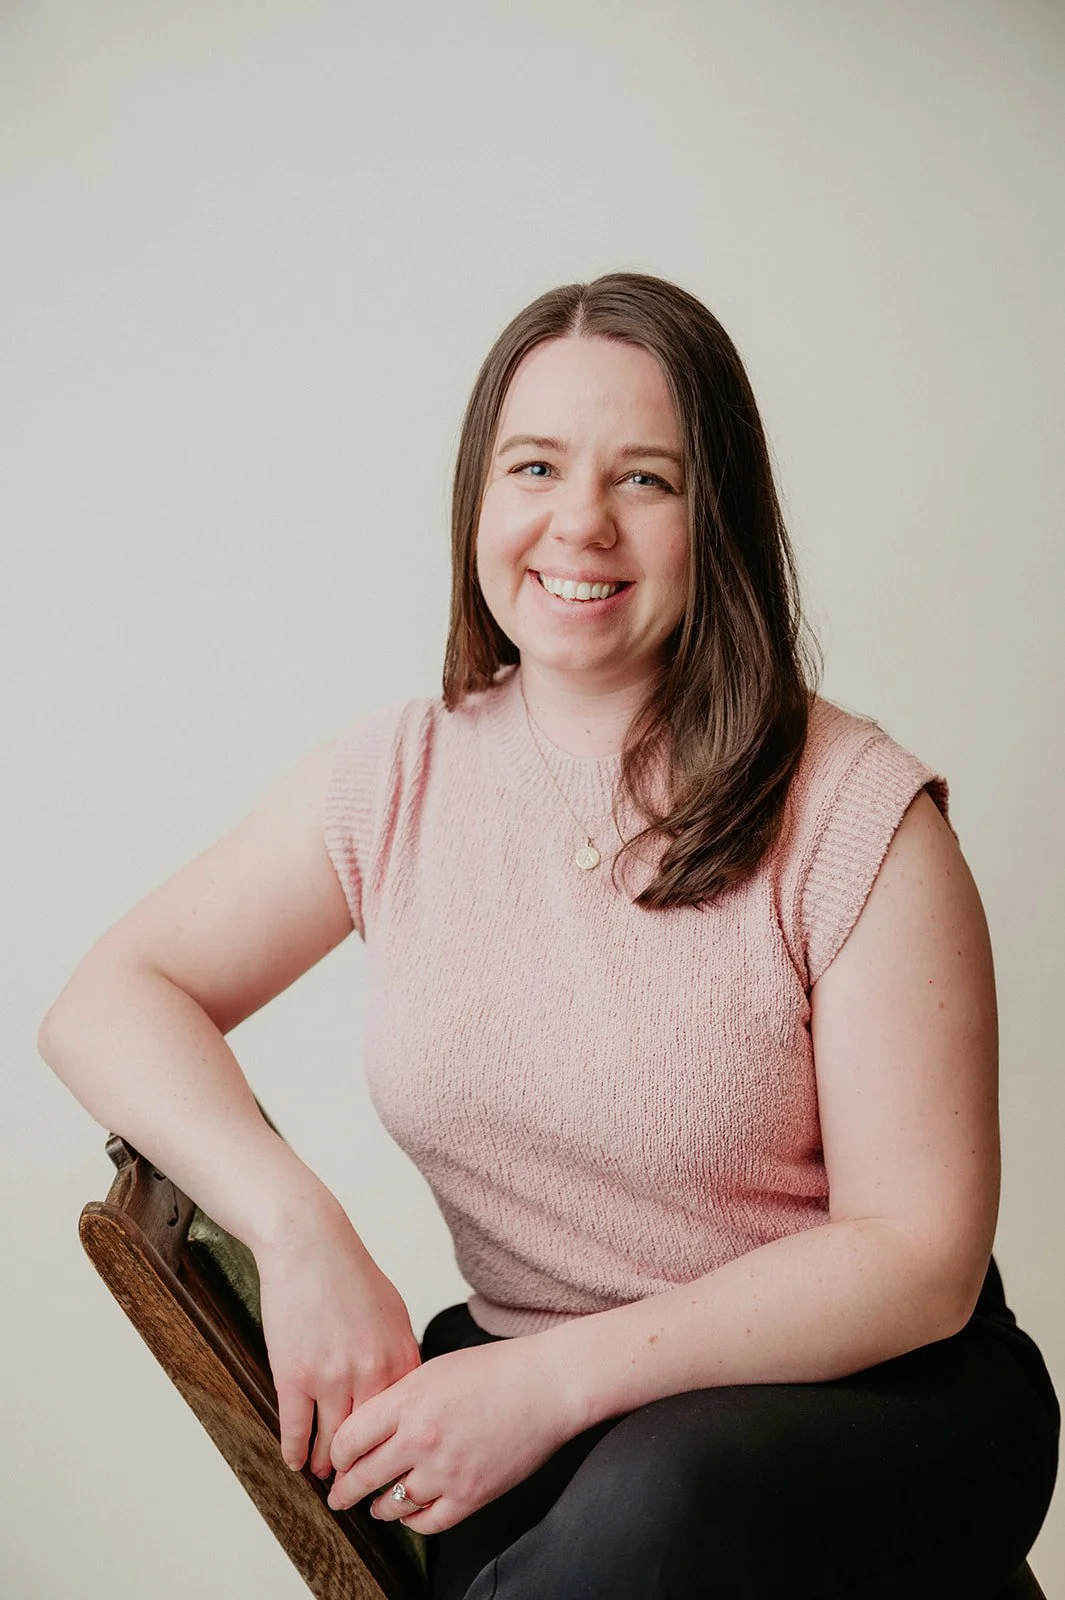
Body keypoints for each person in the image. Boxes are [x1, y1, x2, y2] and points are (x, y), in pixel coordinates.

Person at [39, 272, 1058, 1600]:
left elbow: (917, 1260)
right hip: (543, 1407)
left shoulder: (855, 815)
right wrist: (295, 1224)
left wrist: (549, 1386)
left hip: (881, 1401)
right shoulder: (400, 777)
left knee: (663, 1499)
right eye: (535, 466)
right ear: (481, 494)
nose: (579, 523)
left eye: (647, 479)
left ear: (720, 519)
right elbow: (109, 998)